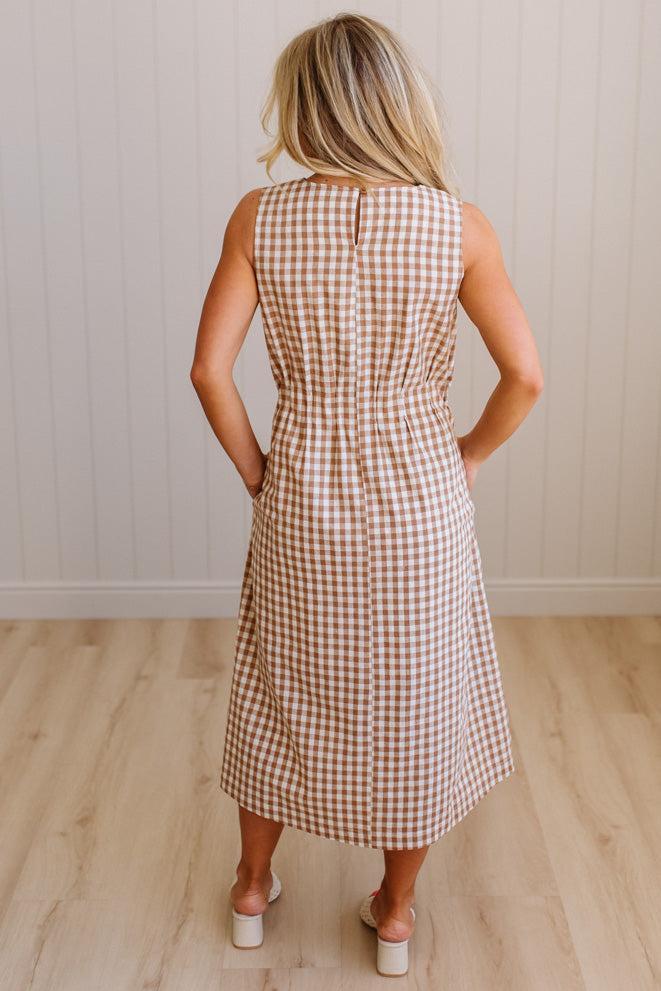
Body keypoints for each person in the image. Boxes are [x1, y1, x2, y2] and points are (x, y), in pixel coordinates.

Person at [191, 12, 543, 978]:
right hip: (419, 496)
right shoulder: (457, 226)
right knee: (414, 700)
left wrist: (260, 473)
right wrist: (466, 456)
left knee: (279, 688)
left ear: (304, 107)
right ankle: (394, 912)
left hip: (302, 494)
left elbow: (209, 372)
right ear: (399, 102)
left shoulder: (259, 218)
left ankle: (251, 888)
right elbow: (525, 376)